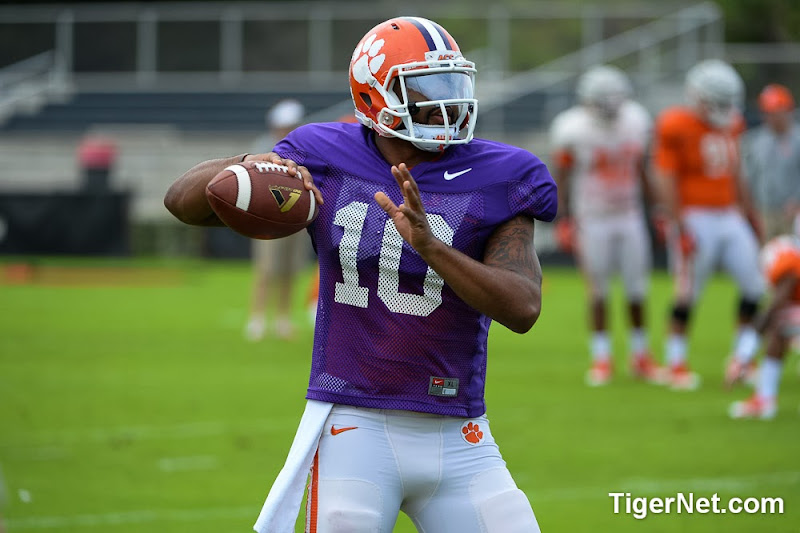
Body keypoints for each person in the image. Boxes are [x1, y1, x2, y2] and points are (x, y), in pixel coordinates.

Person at [164, 16, 557, 533]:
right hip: (354, 425)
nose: (447, 102)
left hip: (460, 431)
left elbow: (524, 308)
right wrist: (250, 163)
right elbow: (180, 201)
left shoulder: (503, 173)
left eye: (453, 83)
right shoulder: (322, 152)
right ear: (374, 95)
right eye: (424, 87)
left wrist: (433, 248)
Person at [652, 59, 764, 390]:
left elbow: (738, 171)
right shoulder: (675, 124)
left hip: (729, 213)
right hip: (694, 215)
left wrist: (750, 212)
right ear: (697, 97)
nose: (724, 108)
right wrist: (678, 224)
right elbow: (665, 175)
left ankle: (742, 358)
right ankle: (676, 363)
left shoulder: (734, 123)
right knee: (687, 291)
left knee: (755, 285)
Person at [550, 65, 661, 386]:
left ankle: (641, 356)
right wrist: (564, 218)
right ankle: (602, 357)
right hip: (592, 217)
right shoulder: (573, 128)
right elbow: (564, 177)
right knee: (597, 290)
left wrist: (656, 211)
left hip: (628, 213)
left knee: (637, 288)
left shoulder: (636, 121)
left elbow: (643, 169)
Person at [244, 99, 308, 341]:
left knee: (290, 270)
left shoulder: (302, 149)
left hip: (296, 218)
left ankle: (283, 318)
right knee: (266, 269)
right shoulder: (262, 147)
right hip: (268, 218)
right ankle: (257, 318)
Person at [730, 234, 800, 419]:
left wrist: (744, 355)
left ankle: (765, 398)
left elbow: (777, 302)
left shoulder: (784, 258)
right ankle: (765, 398)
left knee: (779, 323)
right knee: (781, 325)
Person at [742, 84, 800, 240]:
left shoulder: (797, 139)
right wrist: (750, 208)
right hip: (763, 210)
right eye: (769, 113)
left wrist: (797, 201)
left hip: (792, 210)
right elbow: (748, 176)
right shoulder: (755, 140)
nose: (773, 117)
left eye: (777, 112)